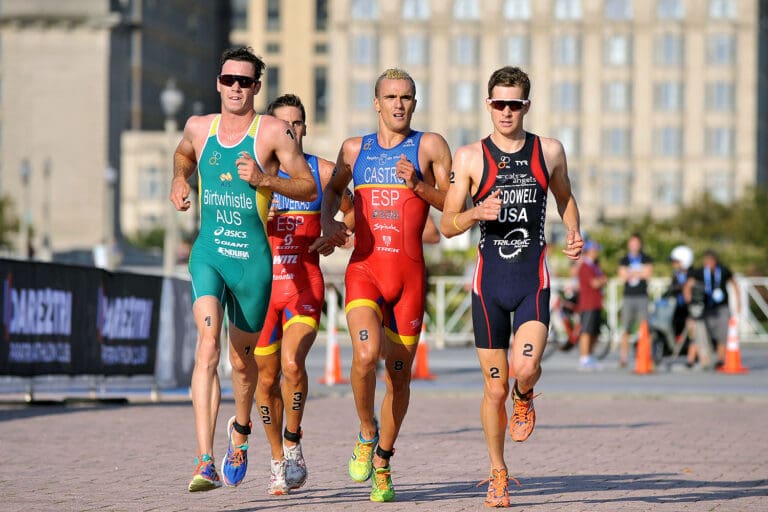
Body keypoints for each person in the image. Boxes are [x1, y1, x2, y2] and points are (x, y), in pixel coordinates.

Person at [168, 47, 317, 492]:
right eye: (228, 79)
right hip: (209, 252)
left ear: (256, 87)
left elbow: (308, 186)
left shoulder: (271, 132)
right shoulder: (199, 127)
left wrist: (265, 180)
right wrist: (179, 178)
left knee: (243, 365)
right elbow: (182, 154)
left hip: (252, 264)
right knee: (208, 345)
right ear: (218, 82)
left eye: (244, 81)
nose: (235, 87)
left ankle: (240, 430)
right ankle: (204, 461)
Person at [439, 66, 583, 507]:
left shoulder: (549, 151)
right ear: (488, 105)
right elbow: (446, 224)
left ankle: (527, 394)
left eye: (514, 104)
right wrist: (476, 214)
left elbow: (564, 197)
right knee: (493, 389)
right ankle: (498, 472)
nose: (506, 111)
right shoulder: (469, 158)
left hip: (531, 277)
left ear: (526, 106)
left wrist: (574, 231)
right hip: (489, 286)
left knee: (523, 370)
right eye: (498, 103)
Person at [320, 68, 451, 502]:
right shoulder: (355, 148)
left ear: (415, 102)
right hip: (365, 270)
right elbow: (332, 191)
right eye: (391, 96)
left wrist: (418, 184)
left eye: (407, 97)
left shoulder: (429, 146)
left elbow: (455, 208)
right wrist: (330, 226)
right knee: (364, 354)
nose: (399, 104)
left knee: (398, 379)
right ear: (376, 103)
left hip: (410, 277)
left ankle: (383, 461)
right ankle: (365, 430)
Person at [253, 93, 354, 495]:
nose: (290, 130)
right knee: (265, 379)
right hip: (260, 292)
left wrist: (336, 232)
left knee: (292, 364)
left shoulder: (322, 171)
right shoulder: (254, 175)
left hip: (304, 286)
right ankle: (277, 458)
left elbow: (353, 211)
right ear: (271, 129)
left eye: (297, 124)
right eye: (283, 124)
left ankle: (293, 441)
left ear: (306, 128)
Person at [684, 249, 741, 369]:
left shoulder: (723, 270)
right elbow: (688, 284)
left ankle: (720, 359)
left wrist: (738, 302)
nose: (709, 263)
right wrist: (688, 299)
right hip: (706, 308)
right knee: (702, 334)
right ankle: (700, 359)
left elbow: (734, 283)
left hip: (721, 307)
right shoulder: (700, 272)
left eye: (711, 261)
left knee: (722, 333)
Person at [617, 234, 654, 367]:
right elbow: (622, 275)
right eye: (632, 243)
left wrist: (631, 272)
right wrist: (639, 272)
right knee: (626, 328)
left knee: (644, 327)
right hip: (628, 297)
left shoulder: (646, 258)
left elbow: (648, 274)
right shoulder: (624, 259)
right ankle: (623, 357)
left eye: (636, 243)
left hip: (642, 297)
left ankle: (646, 355)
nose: (634, 245)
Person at [577, 241, 608, 371]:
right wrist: (602, 281)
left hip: (596, 303)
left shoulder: (595, 266)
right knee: (586, 331)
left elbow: (602, 280)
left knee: (595, 332)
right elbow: (595, 283)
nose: (596, 253)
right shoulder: (585, 266)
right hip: (588, 303)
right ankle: (584, 358)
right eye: (594, 250)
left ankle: (589, 356)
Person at [666, 245, 696, 367]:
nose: (674, 264)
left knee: (692, 331)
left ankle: (691, 359)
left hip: (690, 308)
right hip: (678, 307)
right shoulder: (676, 274)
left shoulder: (693, 274)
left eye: (676, 261)